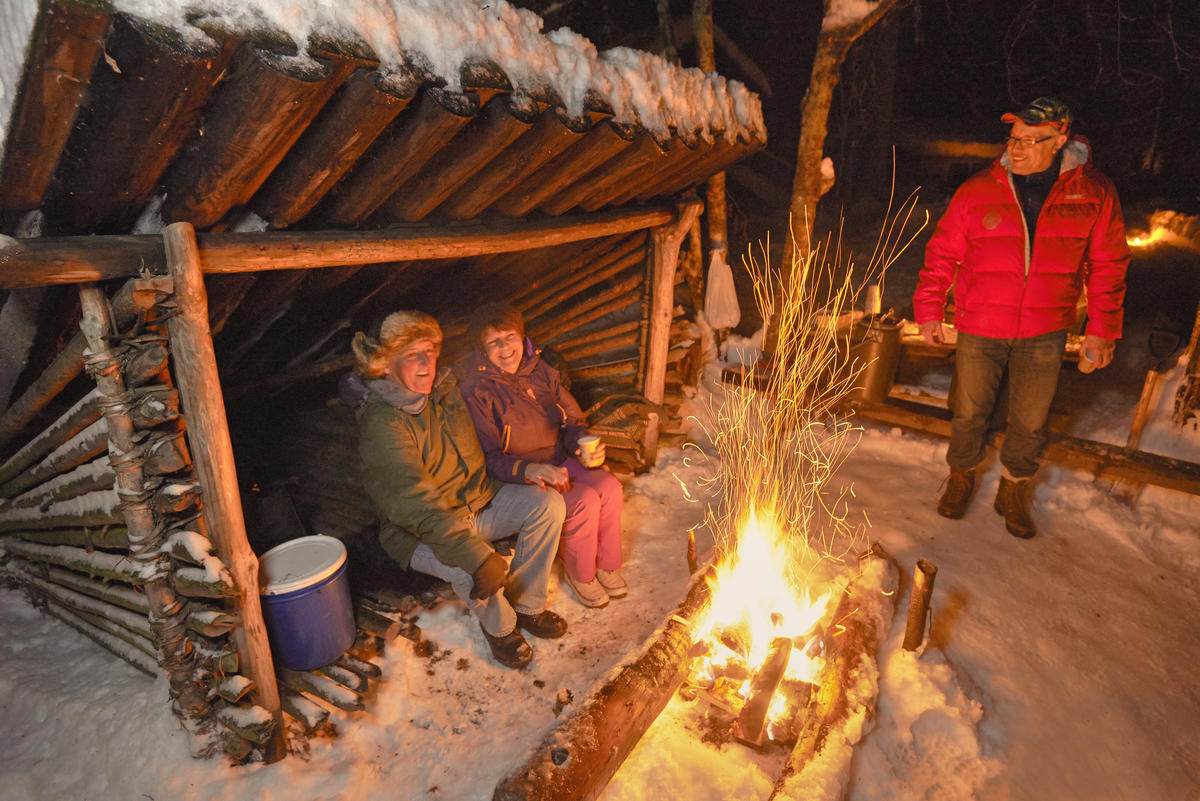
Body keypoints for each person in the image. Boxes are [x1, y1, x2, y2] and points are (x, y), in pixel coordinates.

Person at [913, 97, 1130, 538]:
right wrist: (930, 307)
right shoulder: (978, 190)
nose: (1018, 148)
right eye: (1014, 139)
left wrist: (1102, 330)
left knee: (1030, 419)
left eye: (1032, 140)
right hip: (980, 324)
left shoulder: (1094, 194)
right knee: (969, 412)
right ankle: (961, 476)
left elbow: (1109, 264)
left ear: (1061, 139)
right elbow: (942, 253)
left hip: (1045, 329)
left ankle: (1013, 487)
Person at [352, 310, 568, 669]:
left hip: (477, 501)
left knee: (547, 504)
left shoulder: (445, 391)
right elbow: (416, 507)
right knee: (469, 568)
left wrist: (526, 470)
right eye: (411, 355)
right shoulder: (383, 423)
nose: (426, 364)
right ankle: (501, 629)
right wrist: (478, 557)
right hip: (419, 531)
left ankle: (527, 606)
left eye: (429, 351)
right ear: (385, 365)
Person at [459, 303, 626, 609]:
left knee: (610, 488)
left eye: (509, 336)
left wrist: (580, 448)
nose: (504, 347)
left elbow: (572, 422)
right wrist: (529, 469)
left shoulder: (542, 372)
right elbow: (489, 456)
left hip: (558, 460)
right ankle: (582, 573)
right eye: (493, 341)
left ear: (523, 339)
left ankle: (605, 563)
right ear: (483, 350)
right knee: (583, 501)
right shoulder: (478, 390)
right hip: (519, 475)